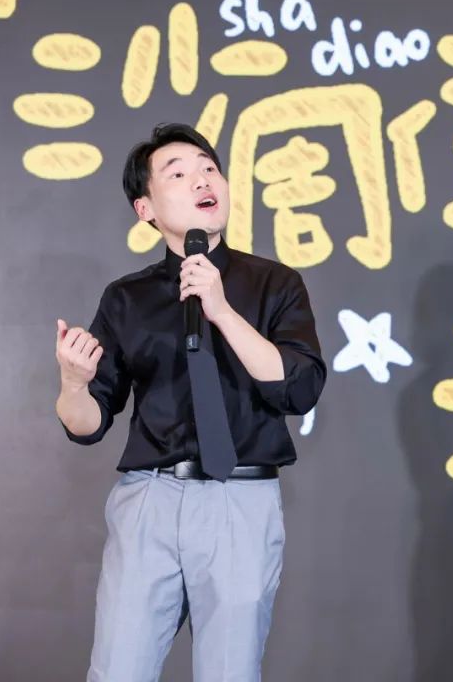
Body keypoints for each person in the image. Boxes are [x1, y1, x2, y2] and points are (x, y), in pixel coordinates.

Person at [54, 123, 327, 681]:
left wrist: (221, 311)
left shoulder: (274, 283)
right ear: (146, 208)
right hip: (148, 501)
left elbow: (299, 388)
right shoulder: (126, 297)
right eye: (177, 174)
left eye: (209, 169)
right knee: (118, 670)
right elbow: (88, 423)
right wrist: (74, 384)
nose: (202, 180)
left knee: (229, 671)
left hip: (239, 501)